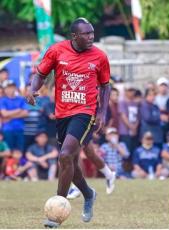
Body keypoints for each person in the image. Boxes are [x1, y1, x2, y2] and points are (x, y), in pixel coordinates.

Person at [26, 18, 111, 227]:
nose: (91, 37)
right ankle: (89, 194)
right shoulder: (56, 50)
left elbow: (105, 86)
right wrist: (32, 89)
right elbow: (40, 74)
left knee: (64, 156)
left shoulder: (100, 56)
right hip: (62, 113)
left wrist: (101, 113)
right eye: (86, 34)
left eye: (92, 33)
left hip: (85, 113)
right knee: (70, 163)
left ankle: (56, 213)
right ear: (74, 36)